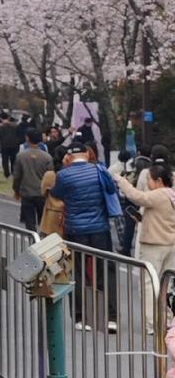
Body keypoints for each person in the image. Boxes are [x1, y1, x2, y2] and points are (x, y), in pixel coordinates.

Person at [52, 133, 121, 330]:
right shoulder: (99, 170)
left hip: (75, 230)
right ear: (86, 153)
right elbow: (110, 190)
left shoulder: (64, 175)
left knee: (77, 272)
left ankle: (81, 318)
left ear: (69, 157)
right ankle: (111, 317)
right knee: (105, 271)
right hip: (100, 229)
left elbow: (57, 195)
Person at [117, 158, 175, 293]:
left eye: (149, 179)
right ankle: (166, 313)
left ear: (159, 181)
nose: (146, 182)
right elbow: (162, 218)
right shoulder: (171, 194)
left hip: (154, 245)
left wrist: (121, 181)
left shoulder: (158, 194)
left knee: (148, 283)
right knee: (166, 284)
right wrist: (142, 218)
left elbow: (137, 196)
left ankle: (151, 314)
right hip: (170, 244)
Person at [12, 127, 53, 232]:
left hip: (27, 192)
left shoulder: (21, 156)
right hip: (42, 193)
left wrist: (16, 190)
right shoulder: (47, 157)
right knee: (43, 220)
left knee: (29, 221)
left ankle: (33, 240)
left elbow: (17, 176)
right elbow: (50, 176)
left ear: (27, 138)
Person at [0, 113, 22, 178]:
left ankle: (6, 174)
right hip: (14, 144)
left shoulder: (0, 127)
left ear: (1, 118)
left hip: (4, 145)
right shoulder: (15, 126)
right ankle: (13, 172)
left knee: (5, 160)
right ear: (8, 118)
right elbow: (19, 134)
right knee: (13, 159)